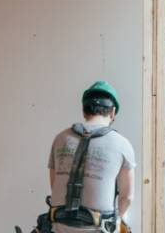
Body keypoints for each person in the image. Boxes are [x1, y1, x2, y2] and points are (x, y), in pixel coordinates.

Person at [47, 81, 136, 233]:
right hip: (97, 228)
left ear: (84, 111)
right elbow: (127, 197)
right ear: (112, 112)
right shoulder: (122, 144)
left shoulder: (60, 138)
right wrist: (115, 221)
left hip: (59, 226)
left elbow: (54, 184)